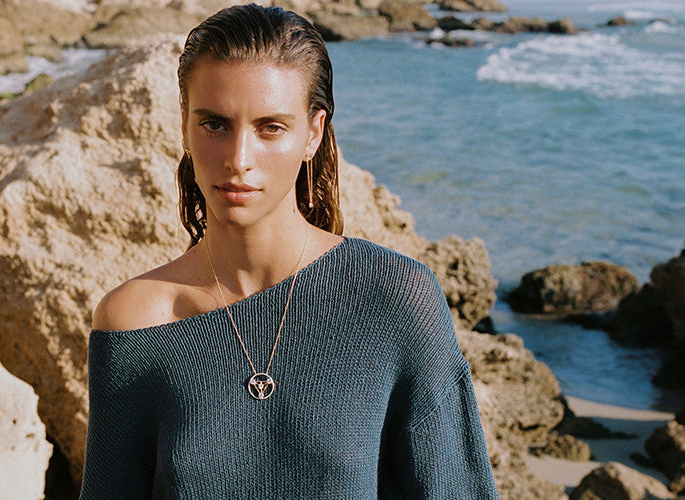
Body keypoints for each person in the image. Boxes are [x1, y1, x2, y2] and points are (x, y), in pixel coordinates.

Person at [80, 4, 498, 498]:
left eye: (270, 127)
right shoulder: (136, 323)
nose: (238, 159)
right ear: (185, 127)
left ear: (313, 133)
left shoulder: (394, 301)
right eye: (214, 124)